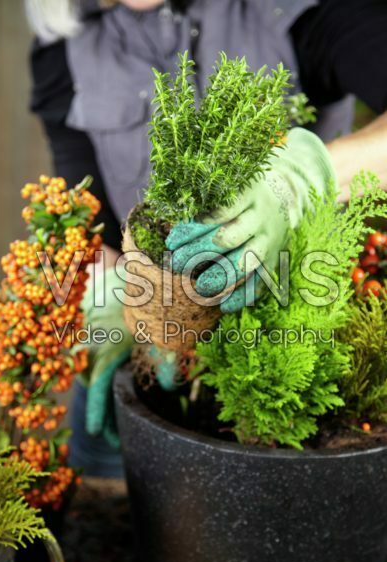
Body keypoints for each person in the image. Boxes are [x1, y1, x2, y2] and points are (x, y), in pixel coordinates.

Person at [25, 0, 387, 477]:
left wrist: (301, 179)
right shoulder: (64, 48)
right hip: (159, 327)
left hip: (293, 331)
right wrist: (118, 314)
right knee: (102, 476)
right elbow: (96, 228)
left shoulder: (291, 11)